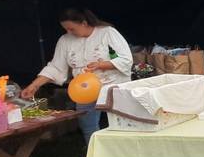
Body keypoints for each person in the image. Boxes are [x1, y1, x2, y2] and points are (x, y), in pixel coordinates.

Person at [21, 8, 132, 143]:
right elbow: (56, 67)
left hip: (112, 86)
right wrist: (34, 85)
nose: (69, 32)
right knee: (88, 125)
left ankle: (123, 150)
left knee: (121, 123)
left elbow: (126, 59)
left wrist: (101, 65)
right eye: (66, 29)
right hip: (83, 90)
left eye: (72, 28)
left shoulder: (107, 33)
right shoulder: (65, 40)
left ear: (84, 23)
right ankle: (94, 154)